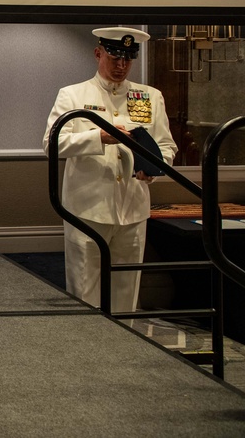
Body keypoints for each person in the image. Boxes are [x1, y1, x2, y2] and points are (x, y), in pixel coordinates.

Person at [43, 27, 177, 315]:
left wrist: (155, 167)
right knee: (85, 288)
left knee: (125, 289)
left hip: (132, 206)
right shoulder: (73, 95)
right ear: (98, 54)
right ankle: (87, 351)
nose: (121, 66)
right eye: (115, 57)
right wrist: (98, 138)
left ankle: (125, 348)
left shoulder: (149, 96)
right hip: (87, 207)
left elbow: (166, 146)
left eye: (128, 59)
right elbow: (52, 144)